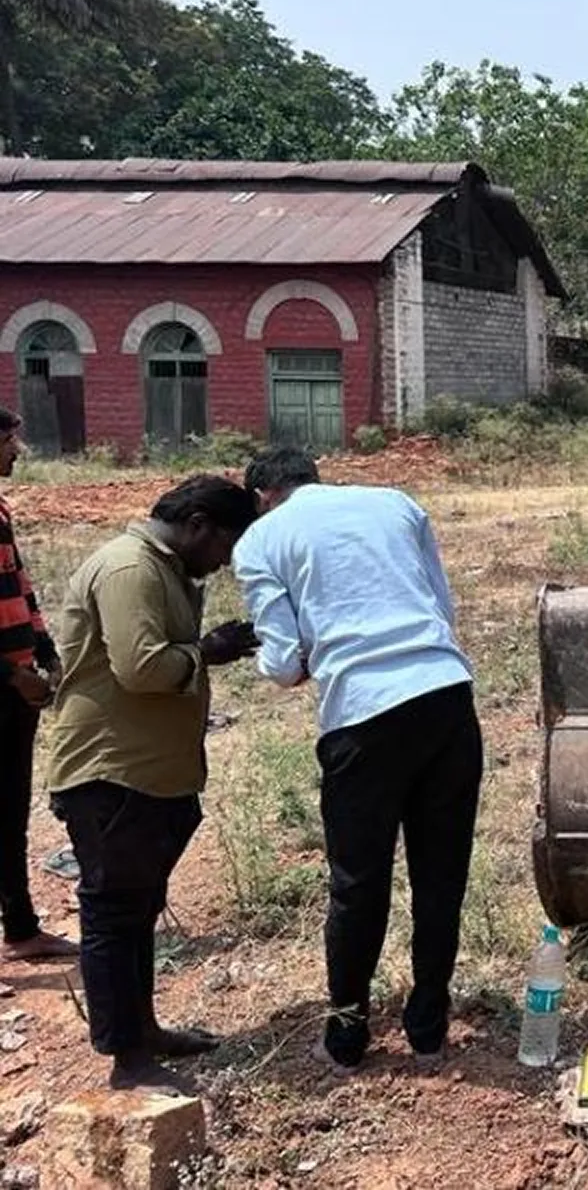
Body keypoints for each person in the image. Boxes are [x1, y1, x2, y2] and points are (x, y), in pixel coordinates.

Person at [233, 447, 482, 1075]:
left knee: (357, 884)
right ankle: (428, 1028)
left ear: (262, 496)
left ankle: (346, 1036)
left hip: (363, 717)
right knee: (441, 876)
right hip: (446, 695)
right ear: (313, 476)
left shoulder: (261, 539)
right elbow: (441, 607)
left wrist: (288, 656)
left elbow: (283, 663)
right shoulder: (395, 503)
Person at [42, 475, 260, 1090]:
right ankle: (127, 1061)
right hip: (112, 771)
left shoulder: (165, 570)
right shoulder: (130, 568)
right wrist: (207, 651)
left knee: (138, 909)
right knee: (115, 914)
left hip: (147, 772)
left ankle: (144, 1032)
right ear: (196, 525)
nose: (224, 561)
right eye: (224, 545)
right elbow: (141, 668)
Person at [0, 408, 78, 964]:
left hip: (15, 687)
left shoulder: (0, 512)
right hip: (6, 687)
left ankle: (21, 927)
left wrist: (45, 650)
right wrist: (13, 675)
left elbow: (21, 589)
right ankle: (21, 930)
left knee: (9, 810)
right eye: (9, 440)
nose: (17, 450)